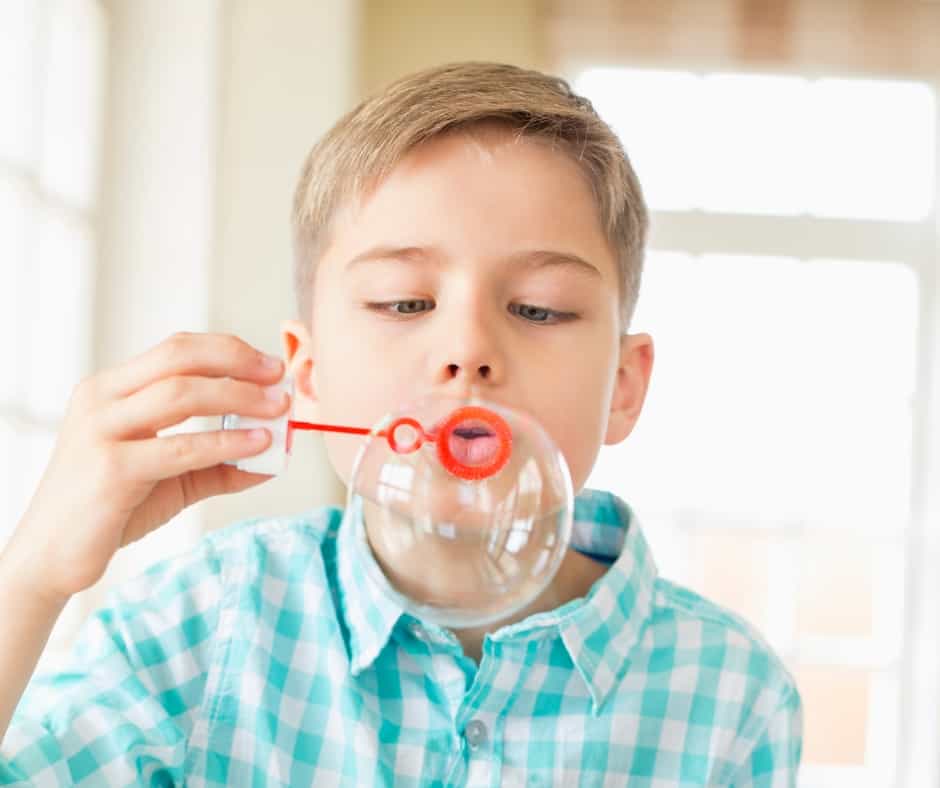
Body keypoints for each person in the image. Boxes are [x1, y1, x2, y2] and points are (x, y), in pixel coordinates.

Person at [0, 62, 801, 786]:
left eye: (539, 309)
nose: (467, 350)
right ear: (307, 377)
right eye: (404, 303)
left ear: (623, 387)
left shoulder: (731, 693)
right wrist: (29, 576)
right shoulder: (194, 627)